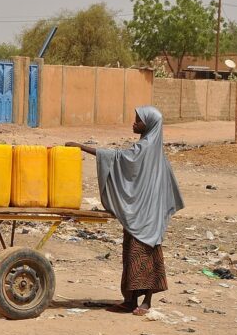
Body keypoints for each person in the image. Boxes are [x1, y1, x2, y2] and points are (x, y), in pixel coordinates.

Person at [66, 106, 183, 316]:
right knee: (131, 256)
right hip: (140, 213)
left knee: (146, 256)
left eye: (138, 120)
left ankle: (146, 302)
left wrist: (82, 147)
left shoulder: (146, 148)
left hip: (147, 216)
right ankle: (130, 300)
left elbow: (118, 158)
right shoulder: (149, 148)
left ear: (149, 124)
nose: (134, 123)